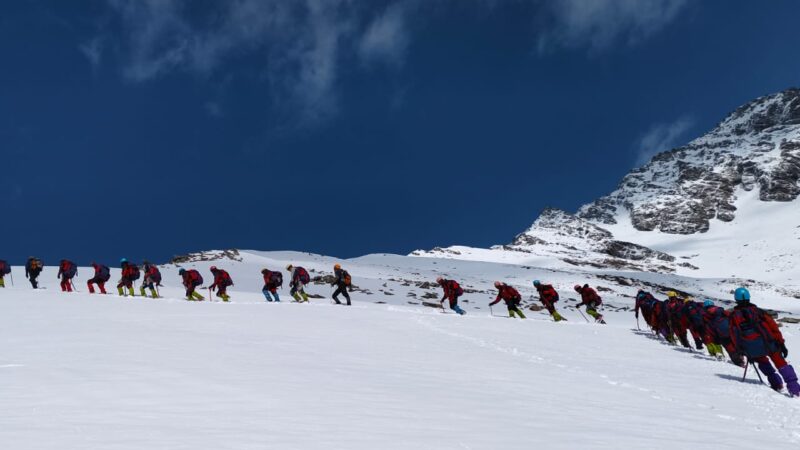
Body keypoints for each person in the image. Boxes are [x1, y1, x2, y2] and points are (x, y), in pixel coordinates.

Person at [729, 287, 799, 396]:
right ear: (748, 297)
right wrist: (781, 343)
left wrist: (740, 349)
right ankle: (795, 390)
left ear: (736, 299)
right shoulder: (759, 312)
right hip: (769, 343)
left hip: (752, 347)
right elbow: (773, 327)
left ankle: (776, 384)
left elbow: (734, 335)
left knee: (764, 364)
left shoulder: (734, 316)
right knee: (781, 364)